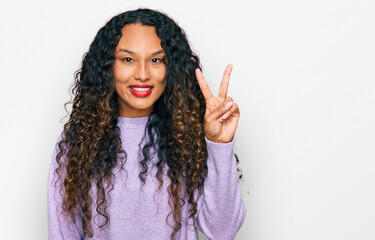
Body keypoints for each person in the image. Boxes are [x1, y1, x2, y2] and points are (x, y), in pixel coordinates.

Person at [48, 8, 246, 240]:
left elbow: (223, 231)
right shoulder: (79, 141)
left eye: (155, 60)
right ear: (108, 66)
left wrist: (219, 144)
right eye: (128, 59)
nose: (142, 74)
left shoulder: (188, 136)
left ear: (170, 68)